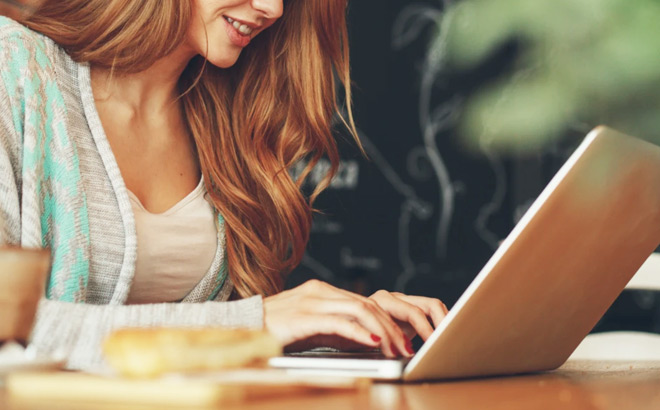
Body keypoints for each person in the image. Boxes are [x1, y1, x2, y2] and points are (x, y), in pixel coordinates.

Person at [0, 0, 448, 371]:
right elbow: (10, 332)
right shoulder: (14, 69)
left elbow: (200, 351)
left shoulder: (224, 123)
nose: (271, 8)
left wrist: (330, 338)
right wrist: (252, 324)